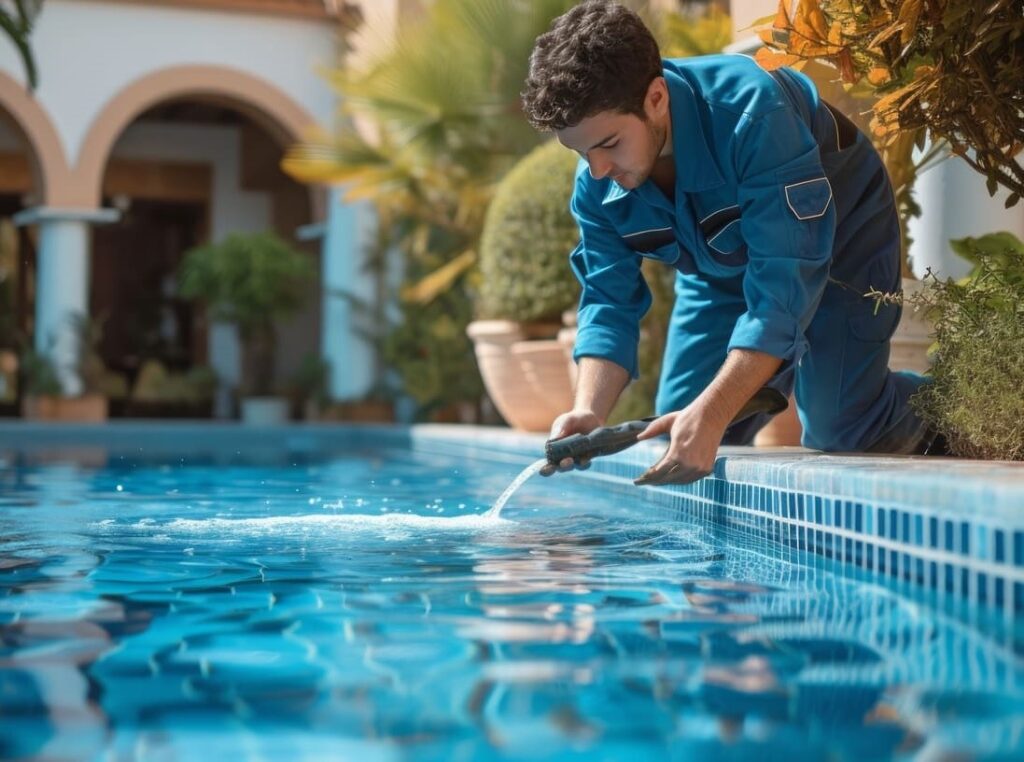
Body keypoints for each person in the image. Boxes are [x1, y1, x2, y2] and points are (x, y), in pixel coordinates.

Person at [521, 1, 944, 486]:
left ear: (656, 97)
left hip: (838, 243)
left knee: (841, 425)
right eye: (580, 151)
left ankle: (967, 406)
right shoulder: (596, 181)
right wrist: (587, 410)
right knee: (676, 437)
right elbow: (607, 299)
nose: (597, 171)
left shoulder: (754, 113)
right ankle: (761, 380)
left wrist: (720, 405)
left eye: (609, 144)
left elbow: (782, 291)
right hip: (722, 271)